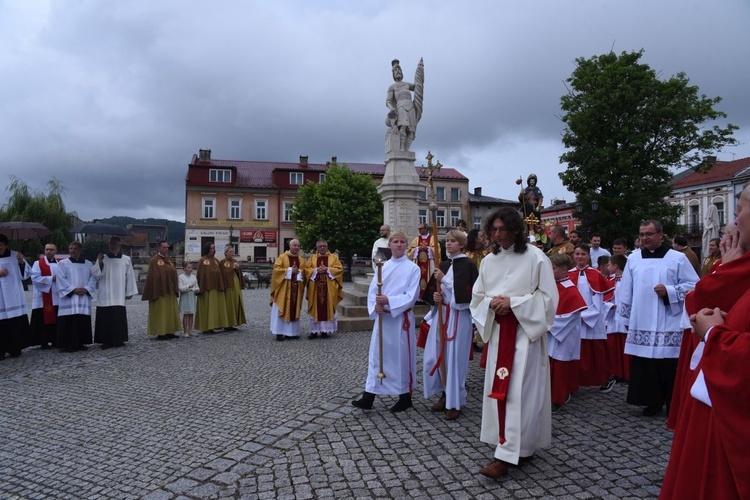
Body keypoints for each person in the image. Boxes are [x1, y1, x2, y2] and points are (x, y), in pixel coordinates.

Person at [660, 194, 750, 500]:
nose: (733, 222)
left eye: (739, 210)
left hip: (729, 416)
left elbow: (697, 301)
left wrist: (714, 336)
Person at [470, 207, 558, 479]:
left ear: (516, 229)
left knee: (521, 394)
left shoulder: (536, 257)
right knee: (500, 392)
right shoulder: (489, 261)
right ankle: (506, 446)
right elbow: (477, 297)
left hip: (524, 336)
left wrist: (514, 303)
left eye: (502, 229)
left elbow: (548, 298)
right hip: (499, 335)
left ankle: (514, 451)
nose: (497, 234)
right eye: (492, 230)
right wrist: (492, 304)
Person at [618, 220, 699, 416]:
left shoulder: (677, 258)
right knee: (646, 365)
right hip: (642, 320)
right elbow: (626, 290)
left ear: (660, 235)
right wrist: (626, 319)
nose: (645, 238)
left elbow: (695, 285)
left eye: (649, 234)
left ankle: (673, 404)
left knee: (668, 364)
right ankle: (651, 402)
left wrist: (670, 291)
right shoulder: (633, 259)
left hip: (668, 319)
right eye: (642, 234)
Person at [352, 231, 421, 412]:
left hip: (400, 320)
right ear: (389, 245)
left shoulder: (413, 268)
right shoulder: (383, 266)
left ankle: (404, 396)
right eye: (395, 242)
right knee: (377, 356)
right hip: (383, 319)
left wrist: (389, 301)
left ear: (406, 246)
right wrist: (376, 306)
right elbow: (374, 291)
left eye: (402, 242)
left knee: (399, 358)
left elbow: (411, 296)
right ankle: (369, 395)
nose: (398, 245)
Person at [423, 230, 478, 420]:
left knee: (455, 360)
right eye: (446, 241)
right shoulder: (444, 264)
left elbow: (467, 295)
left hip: (458, 316)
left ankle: (455, 402)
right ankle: (444, 394)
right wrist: (436, 297)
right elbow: (433, 292)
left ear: (461, 245)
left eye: (452, 241)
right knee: (435, 356)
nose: (448, 244)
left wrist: (444, 280)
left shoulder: (468, 265)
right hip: (442, 315)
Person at [568, 244, 614, 388]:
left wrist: (585, 315)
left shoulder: (596, 274)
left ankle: (600, 379)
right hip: (572, 318)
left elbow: (598, 300)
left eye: (583, 254)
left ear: (588, 256)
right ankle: (575, 380)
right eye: (577, 254)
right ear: (573, 256)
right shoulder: (568, 274)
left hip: (591, 317)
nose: (579, 257)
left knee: (595, 350)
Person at [547, 253, 587, 413]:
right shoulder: (552, 285)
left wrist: (545, 323)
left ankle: (558, 398)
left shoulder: (570, 290)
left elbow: (569, 316)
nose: (550, 271)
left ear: (564, 270)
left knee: (561, 365)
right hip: (551, 331)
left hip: (564, 334)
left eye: (553, 268)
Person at [91, 236, 137, 349]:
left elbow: (130, 275)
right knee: (105, 317)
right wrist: (99, 262)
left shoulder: (126, 259)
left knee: (118, 317)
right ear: (109, 245)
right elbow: (96, 274)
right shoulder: (103, 258)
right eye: (111, 244)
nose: (113, 246)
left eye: (115, 244)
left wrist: (129, 291)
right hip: (105, 292)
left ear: (120, 245)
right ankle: (105, 340)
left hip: (119, 293)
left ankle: (118, 339)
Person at [56, 241, 96, 352]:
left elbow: (93, 278)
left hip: (83, 296)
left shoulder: (88, 264)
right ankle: (67, 344)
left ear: (80, 250)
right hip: (70, 297)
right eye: (70, 248)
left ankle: (81, 343)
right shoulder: (63, 263)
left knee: (81, 319)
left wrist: (87, 289)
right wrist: (72, 290)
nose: (72, 251)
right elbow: (60, 278)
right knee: (69, 320)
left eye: (75, 248)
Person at [303, 240, 343, 339]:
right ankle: (314, 331)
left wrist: (327, 270)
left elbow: (339, 269)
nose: (322, 248)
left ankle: (325, 330)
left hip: (329, 289)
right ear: (317, 248)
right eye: (320, 246)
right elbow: (306, 270)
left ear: (327, 247)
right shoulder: (312, 258)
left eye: (324, 246)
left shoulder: (333, 257)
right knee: (315, 308)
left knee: (327, 307)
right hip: (315, 288)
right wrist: (316, 270)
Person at [141, 240, 181, 340]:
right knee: (161, 311)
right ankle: (161, 332)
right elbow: (152, 276)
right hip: (160, 290)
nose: (166, 249)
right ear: (158, 248)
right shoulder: (154, 260)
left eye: (167, 247)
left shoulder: (170, 260)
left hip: (170, 290)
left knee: (170, 311)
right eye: (164, 247)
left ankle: (170, 331)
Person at [602, 253, 631, 389]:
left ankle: (628, 373)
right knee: (614, 346)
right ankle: (617, 372)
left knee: (625, 346)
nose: (607, 267)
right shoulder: (610, 280)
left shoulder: (628, 279)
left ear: (616, 266)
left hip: (625, 317)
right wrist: (610, 306)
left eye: (609, 264)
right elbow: (605, 297)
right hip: (613, 317)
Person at [0, 234, 31, 359]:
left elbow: (26, 274)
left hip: (13, 294)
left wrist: (21, 261)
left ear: (6, 245)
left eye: (1, 245)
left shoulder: (15, 255)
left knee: (14, 322)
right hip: (0, 298)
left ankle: (15, 347)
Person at [270, 239, 306, 341]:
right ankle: (279, 332)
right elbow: (276, 271)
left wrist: (299, 272)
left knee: (294, 309)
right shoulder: (282, 257)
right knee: (281, 308)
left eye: (298, 246)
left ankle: (292, 333)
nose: (297, 247)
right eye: (294, 245)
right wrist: (290, 270)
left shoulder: (302, 260)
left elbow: (305, 272)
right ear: (289, 246)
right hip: (283, 290)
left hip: (296, 290)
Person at [385, 58, 423, 152]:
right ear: (393, 74)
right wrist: (391, 108)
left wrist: (419, 72)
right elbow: (388, 101)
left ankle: (407, 149)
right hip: (400, 106)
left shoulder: (406, 84)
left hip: (411, 106)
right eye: (395, 71)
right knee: (403, 126)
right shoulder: (392, 87)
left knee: (411, 130)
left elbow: (417, 87)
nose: (397, 72)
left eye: (399, 70)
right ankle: (401, 148)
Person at [30, 243, 59, 350]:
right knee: (43, 319)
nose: (49, 251)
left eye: (51, 249)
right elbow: (34, 278)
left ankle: (56, 339)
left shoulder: (60, 263)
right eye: (47, 249)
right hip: (43, 297)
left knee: (56, 318)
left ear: (56, 251)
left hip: (57, 297)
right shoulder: (38, 263)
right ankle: (43, 341)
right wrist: (51, 278)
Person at [195, 242, 229, 334]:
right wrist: (199, 287)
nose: (212, 250)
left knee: (215, 308)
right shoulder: (202, 261)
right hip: (206, 288)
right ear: (206, 249)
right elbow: (200, 275)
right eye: (210, 248)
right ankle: (206, 327)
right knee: (207, 308)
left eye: (213, 248)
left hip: (216, 288)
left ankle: (215, 325)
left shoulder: (216, 261)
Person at [408, 223, 439, 300]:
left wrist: (428, 248)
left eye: (421, 228)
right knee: (418, 279)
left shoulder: (432, 238)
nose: (420, 230)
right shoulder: (416, 239)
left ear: (426, 229)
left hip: (429, 263)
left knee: (429, 278)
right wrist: (417, 249)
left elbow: (437, 250)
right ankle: (419, 297)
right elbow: (410, 250)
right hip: (418, 263)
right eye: (419, 229)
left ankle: (428, 297)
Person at [219, 245, 246, 331]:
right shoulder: (223, 262)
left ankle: (234, 322)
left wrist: (237, 269)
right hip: (228, 285)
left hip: (235, 283)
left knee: (236, 302)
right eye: (230, 251)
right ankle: (227, 323)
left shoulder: (235, 261)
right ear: (226, 253)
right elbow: (223, 273)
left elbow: (238, 273)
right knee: (229, 303)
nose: (232, 253)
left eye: (233, 251)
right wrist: (232, 268)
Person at [178, 262, 199, 338]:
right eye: (188, 267)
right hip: (185, 296)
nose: (190, 269)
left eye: (191, 268)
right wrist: (188, 286)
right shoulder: (181, 277)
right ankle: (185, 331)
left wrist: (197, 289)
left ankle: (190, 330)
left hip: (192, 296)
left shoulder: (193, 277)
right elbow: (180, 288)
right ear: (184, 268)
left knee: (191, 314)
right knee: (186, 314)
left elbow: (197, 286)